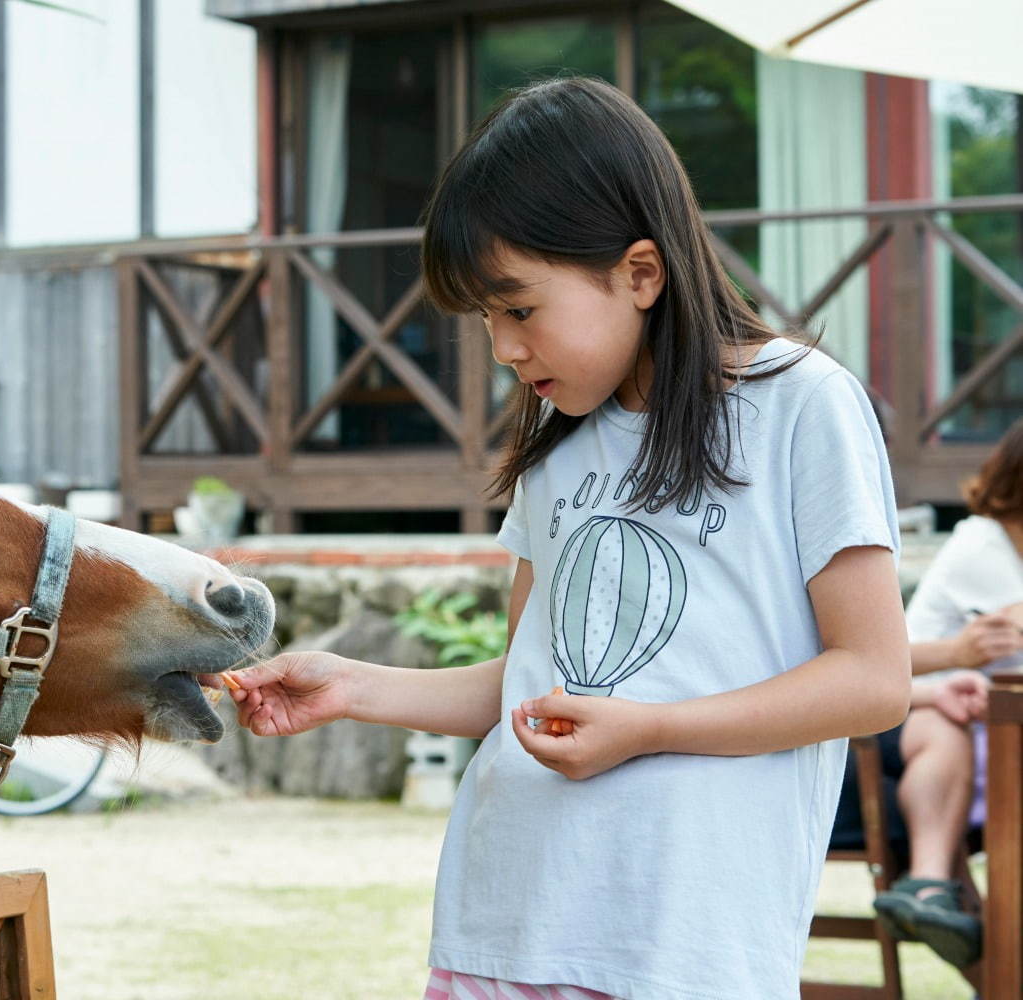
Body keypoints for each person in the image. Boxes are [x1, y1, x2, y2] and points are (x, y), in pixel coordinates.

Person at [218, 77, 910, 1000]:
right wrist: (351, 686)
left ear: (639, 274)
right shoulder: (557, 457)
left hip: (685, 946)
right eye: (485, 319)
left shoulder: (802, 405)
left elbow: (873, 679)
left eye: (519, 309)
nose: (502, 347)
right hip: (503, 923)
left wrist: (654, 730)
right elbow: (531, 688)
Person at [861, 420, 1023, 968]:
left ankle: (934, 896)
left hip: (964, 723)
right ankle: (936, 895)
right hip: (921, 718)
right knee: (945, 723)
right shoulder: (983, 544)